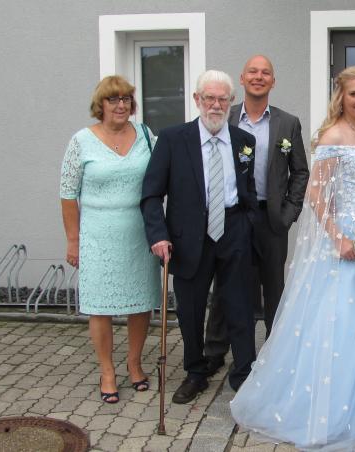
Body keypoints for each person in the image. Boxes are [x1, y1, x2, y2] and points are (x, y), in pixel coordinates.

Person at [231, 66, 355, 450]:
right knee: (345, 328)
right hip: (348, 242)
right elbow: (316, 195)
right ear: (341, 97)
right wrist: (339, 238)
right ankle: (335, 411)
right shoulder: (333, 136)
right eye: (354, 94)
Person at [141, 70, 257, 403]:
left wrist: (248, 224)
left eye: (223, 99)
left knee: (240, 306)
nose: (216, 105)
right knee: (191, 310)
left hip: (233, 230)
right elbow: (151, 194)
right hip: (188, 237)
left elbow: (247, 188)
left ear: (231, 101)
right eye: (210, 98)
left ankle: (243, 372)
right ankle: (195, 372)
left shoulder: (243, 141)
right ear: (197, 100)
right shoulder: (173, 139)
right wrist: (158, 235)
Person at [204, 55, 309, 375]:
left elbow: (300, 172)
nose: (259, 76)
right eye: (253, 71)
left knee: (273, 286)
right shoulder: (226, 116)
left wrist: (288, 214)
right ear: (242, 78)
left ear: (273, 82)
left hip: (271, 219)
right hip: (234, 216)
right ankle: (215, 350)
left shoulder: (287, 123)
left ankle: (274, 351)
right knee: (226, 285)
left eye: (266, 73)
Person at [59, 75, 160, 404]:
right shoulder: (81, 141)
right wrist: (73, 240)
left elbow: (164, 176)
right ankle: (106, 371)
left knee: (141, 301)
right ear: (100, 105)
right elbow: (67, 194)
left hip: (138, 232)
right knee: (99, 307)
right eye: (113, 100)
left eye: (126, 99)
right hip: (98, 234)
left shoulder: (146, 136)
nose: (121, 105)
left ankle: (134, 364)